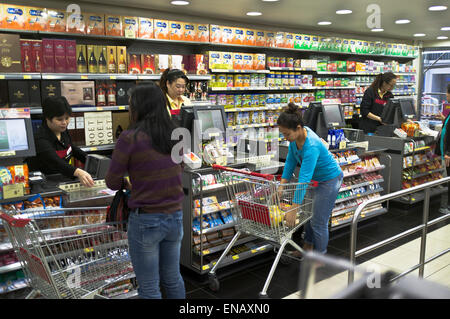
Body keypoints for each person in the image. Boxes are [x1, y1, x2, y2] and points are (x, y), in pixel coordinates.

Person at [105, 83, 185, 299]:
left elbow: (112, 181)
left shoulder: (130, 137)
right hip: (175, 215)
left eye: (131, 104)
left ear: (138, 107)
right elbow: (179, 168)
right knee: (172, 277)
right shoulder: (177, 133)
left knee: (149, 287)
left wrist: (130, 182)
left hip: (146, 220)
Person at [277, 103, 343, 256]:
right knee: (308, 218)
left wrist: (293, 209)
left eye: (286, 134)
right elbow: (290, 162)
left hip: (329, 180)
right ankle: (307, 249)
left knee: (318, 222)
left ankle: (320, 256)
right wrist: (281, 186)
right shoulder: (295, 139)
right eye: (283, 134)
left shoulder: (311, 145)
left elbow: (304, 178)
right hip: (315, 181)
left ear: (298, 128)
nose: (285, 138)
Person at [27, 96, 94, 187]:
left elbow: (71, 148)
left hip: (63, 180)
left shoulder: (63, 131)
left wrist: (91, 159)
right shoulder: (40, 139)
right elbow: (56, 162)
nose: (64, 123)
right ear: (47, 118)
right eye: (59, 119)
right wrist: (78, 172)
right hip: (45, 186)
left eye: (67, 118)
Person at [437, 83, 450, 214]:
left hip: (448, 153)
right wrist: (443, 119)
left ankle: (446, 206)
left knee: (448, 179)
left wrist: (448, 153)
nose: (446, 95)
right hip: (446, 152)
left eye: (447, 92)